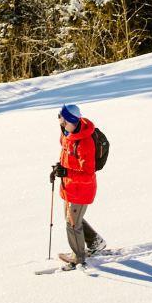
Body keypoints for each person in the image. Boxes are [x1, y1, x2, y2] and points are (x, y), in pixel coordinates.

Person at [50, 104, 104, 267]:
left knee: (72, 223)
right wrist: (59, 168)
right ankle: (95, 242)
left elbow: (88, 173)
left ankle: (78, 258)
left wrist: (67, 172)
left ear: (70, 120)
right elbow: (66, 156)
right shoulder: (66, 133)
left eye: (61, 118)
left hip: (82, 188)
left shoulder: (85, 142)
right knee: (72, 218)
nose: (59, 121)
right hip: (70, 186)